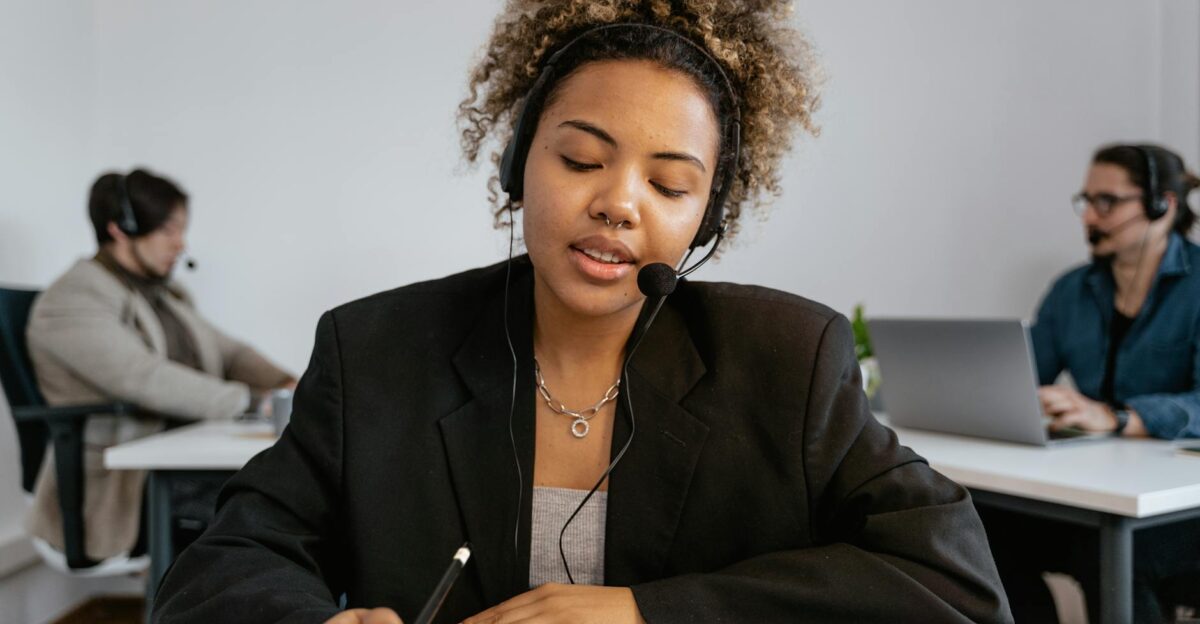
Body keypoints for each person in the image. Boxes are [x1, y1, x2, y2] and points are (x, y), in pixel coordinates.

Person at [152, 2, 1010, 622]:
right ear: (518, 165)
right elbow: (221, 566)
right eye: (580, 159)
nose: (619, 204)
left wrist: (645, 614)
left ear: (707, 218)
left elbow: (955, 585)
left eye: (670, 185)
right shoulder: (375, 348)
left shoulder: (787, 356)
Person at [25, 168, 295, 564]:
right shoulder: (73, 298)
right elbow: (145, 378)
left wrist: (290, 383)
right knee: (276, 510)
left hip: (180, 462)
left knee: (297, 493)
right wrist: (257, 402)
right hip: (123, 489)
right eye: (168, 230)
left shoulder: (163, 295)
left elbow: (230, 353)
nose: (180, 243)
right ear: (121, 228)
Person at [983, 143, 1200, 622]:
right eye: (1086, 200)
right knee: (978, 534)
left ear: (1162, 205)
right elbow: (1023, 376)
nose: (1090, 217)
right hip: (1099, 492)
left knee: (1115, 555)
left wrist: (1118, 417)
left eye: (1108, 202)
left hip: (1179, 506)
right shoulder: (1072, 290)